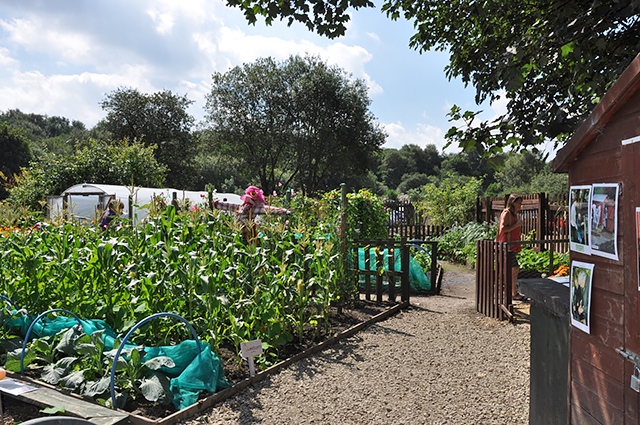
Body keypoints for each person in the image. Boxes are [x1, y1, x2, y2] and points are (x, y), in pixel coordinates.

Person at [213, 185, 289, 244]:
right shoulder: (240, 207)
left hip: (249, 236)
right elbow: (229, 206)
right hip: (238, 234)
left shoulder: (254, 208)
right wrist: (215, 204)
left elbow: (270, 209)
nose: (247, 200)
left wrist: (284, 211)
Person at [496, 194, 524, 301]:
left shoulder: (514, 214)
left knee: (510, 269)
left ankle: (511, 292)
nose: (520, 205)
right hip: (505, 246)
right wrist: (517, 225)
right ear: (513, 203)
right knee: (514, 269)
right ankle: (512, 293)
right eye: (519, 203)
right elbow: (502, 229)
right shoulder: (507, 213)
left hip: (510, 246)